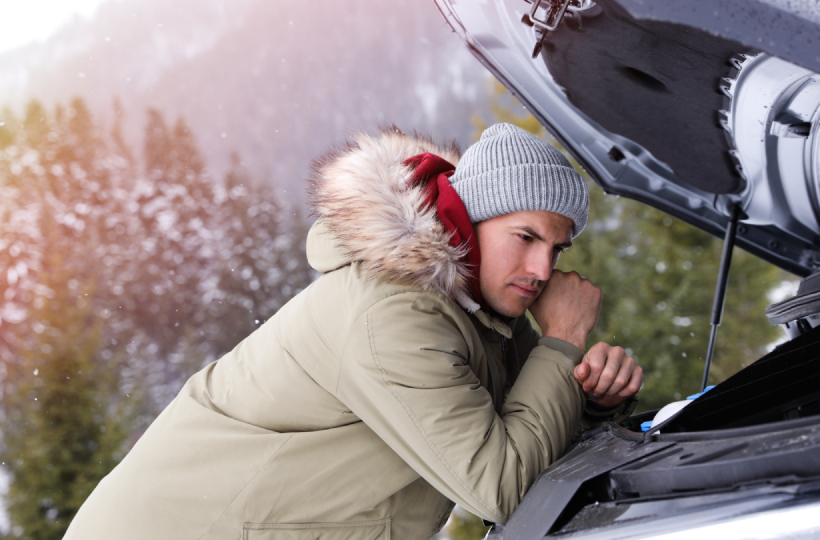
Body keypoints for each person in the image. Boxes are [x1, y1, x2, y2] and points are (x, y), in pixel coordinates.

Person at [64, 123, 643, 540]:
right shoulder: (393, 314)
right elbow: (499, 487)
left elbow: (519, 443)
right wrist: (563, 341)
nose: (544, 270)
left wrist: (587, 399)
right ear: (470, 218)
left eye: (557, 248)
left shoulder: (485, 313)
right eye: (526, 237)